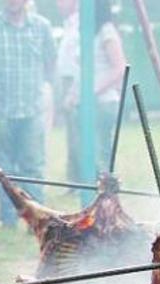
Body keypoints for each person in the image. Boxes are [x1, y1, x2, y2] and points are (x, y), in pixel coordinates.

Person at [0, 0, 56, 228]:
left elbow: (50, 61)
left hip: (31, 108)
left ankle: (37, 219)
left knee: (33, 166)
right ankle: (8, 218)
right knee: (3, 169)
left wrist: (42, 87)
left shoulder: (41, 26)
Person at [57, 0, 127, 179]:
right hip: (84, 105)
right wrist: (73, 94)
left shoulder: (106, 31)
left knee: (101, 162)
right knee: (87, 159)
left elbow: (119, 68)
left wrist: (90, 92)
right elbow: (83, 70)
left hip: (103, 104)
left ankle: (107, 202)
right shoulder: (87, 32)